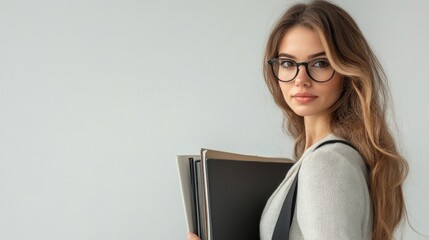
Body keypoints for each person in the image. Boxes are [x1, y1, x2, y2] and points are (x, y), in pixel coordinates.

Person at [188, 0, 408, 239]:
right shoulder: (323, 156)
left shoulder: (326, 164)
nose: (300, 79)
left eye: (320, 63)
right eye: (287, 63)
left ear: (346, 71)